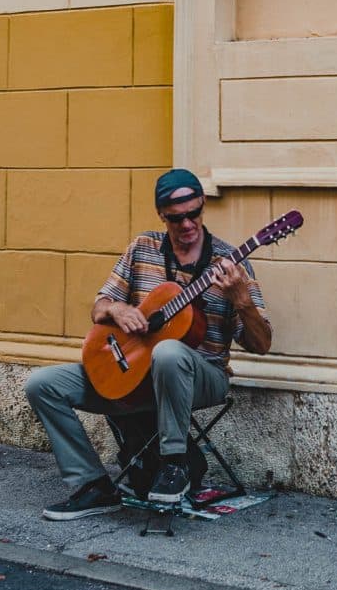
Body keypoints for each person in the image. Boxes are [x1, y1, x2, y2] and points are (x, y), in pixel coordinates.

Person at [24, 169, 271, 521]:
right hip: (137, 375)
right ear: (161, 215)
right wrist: (118, 309)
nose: (187, 224)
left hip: (203, 377)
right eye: (176, 218)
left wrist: (243, 302)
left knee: (168, 353)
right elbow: (99, 307)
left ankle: (174, 465)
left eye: (194, 213)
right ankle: (93, 485)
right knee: (42, 384)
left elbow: (262, 345)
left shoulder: (231, 263)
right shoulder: (143, 248)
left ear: (202, 206)